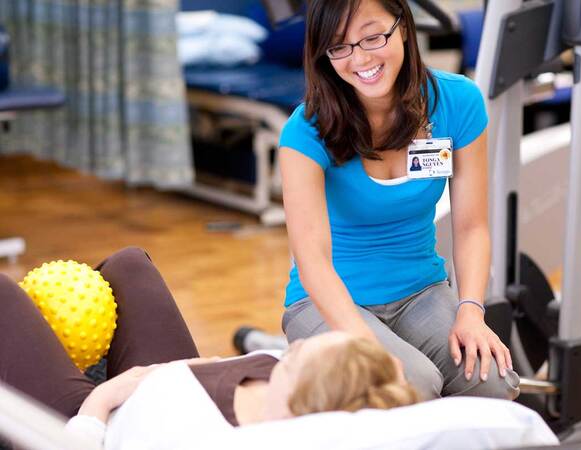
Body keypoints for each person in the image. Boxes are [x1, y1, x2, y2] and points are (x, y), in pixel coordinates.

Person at [278, 0, 520, 400]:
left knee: (493, 381)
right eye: (340, 47)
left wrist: (471, 310)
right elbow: (312, 262)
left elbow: (472, 226)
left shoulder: (457, 102)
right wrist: (362, 342)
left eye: (373, 36)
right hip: (327, 303)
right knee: (412, 385)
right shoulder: (306, 131)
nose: (360, 58)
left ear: (403, 27)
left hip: (420, 291)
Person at [0, 247, 417, 448]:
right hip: (166, 379)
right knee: (129, 264)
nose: (291, 349)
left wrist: (103, 399)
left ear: (294, 407)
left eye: (293, 361)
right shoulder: (293, 385)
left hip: (92, 419)